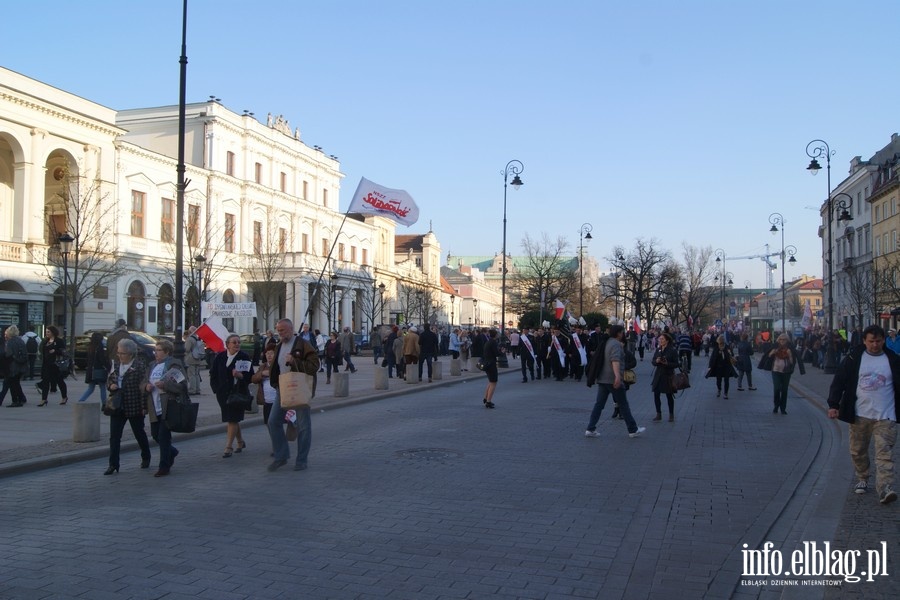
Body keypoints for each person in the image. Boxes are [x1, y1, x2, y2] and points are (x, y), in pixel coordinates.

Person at [827, 324, 898, 504]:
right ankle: (863, 477)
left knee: (884, 453)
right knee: (858, 451)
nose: (875, 345)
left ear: (884, 340)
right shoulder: (853, 358)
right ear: (865, 341)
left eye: (879, 341)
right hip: (860, 414)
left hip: (886, 415)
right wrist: (833, 404)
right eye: (871, 341)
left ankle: (885, 488)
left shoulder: (893, 360)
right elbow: (839, 381)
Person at [267, 318, 320, 472]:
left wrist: (295, 361)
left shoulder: (303, 345)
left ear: (290, 329)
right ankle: (281, 455)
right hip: (282, 388)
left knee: (303, 425)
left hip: (299, 388)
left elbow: (314, 366)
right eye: (278, 330)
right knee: (273, 421)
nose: (280, 333)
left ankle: (301, 460)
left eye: (282, 330)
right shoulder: (278, 346)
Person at [584, 324, 645, 438]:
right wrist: (617, 376)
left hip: (603, 378)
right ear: (618, 333)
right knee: (623, 404)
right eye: (622, 332)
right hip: (612, 379)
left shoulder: (606, 342)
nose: (623, 335)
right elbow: (615, 361)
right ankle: (633, 429)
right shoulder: (616, 344)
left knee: (599, 404)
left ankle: (590, 428)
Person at [104, 338, 151, 475]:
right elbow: (110, 379)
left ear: (130, 354)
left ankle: (146, 456)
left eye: (122, 353)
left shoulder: (139, 366)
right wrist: (110, 385)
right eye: (118, 353)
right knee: (114, 436)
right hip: (117, 406)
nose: (119, 355)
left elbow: (143, 388)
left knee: (139, 433)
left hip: (134, 405)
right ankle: (113, 464)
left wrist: (144, 407)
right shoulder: (116, 365)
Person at [142, 340, 186, 477]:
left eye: (159, 350)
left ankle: (164, 466)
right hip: (154, 405)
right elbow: (143, 382)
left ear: (167, 352)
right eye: (155, 350)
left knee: (163, 436)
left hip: (168, 405)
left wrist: (165, 385)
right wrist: (145, 387)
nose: (156, 353)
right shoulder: (152, 365)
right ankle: (171, 452)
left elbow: (182, 385)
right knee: (155, 435)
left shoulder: (174, 364)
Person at [209, 333, 253, 458]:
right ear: (227, 345)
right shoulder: (220, 357)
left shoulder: (243, 357)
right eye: (234, 342)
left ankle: (228, 447)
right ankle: (240, 442)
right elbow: (213, 374)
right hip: (223, 393)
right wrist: (216, 388)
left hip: (238, 393)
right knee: (232, 418)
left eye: (239, 342)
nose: (237, 344)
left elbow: (250, 376)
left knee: (233, 418)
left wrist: (241, 376)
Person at [766, 333, 805, 414]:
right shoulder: (775, 347)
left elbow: (792, 362)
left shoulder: (790, 349)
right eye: (780, 339)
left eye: (784, 340)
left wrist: (790, 355)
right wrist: (772, 353)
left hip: (786, 372)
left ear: (787, 341)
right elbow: (768, 357)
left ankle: (783, 408)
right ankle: (776, 405)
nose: (782, 341)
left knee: (784, 390)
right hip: (775, 370)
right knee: (776, 389)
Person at [37, 325, 68, 406]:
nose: (47, 333)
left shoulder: (59, 341)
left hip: (56, 365)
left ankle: (64, 397)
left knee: (60, 381)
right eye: (46, 332)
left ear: (53, 332)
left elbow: (63, 352)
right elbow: (42, 350)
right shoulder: (45, 341)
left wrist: (55, 351)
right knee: (45, 382)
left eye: (48, 332)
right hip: (47, 364)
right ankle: (44, 399)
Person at [651, 332, 679, 422]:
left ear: (667, 340)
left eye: (662, 339)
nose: (660, 341)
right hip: (658, 374)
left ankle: (671, 414)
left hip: (667, 375)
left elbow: (676, 364)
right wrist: (657, 361)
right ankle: (658, 413)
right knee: (656, 394)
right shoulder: (658, 349)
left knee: (669, 395)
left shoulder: (672, 350)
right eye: (659, 339)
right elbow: (653, 361)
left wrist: (667, 363)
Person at [77, 331, 110, 403]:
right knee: (102, 387)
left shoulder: (90, 346)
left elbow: (88, 359)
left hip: (91, 370)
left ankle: (81, 400)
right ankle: (104, 403)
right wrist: (108, 367)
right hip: (99, 369)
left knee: (91, 388)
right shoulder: (100, 346)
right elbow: (102, 359)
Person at [251, 343, 278, 427]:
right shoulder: (263, 366)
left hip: (278, 400)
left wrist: (272, 374)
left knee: (277, 424)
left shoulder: (279, 365)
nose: (269, 355)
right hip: (266, 400)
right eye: (267, 353)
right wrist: (262, 373)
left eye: (271, 353)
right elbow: (253, 379)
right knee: (268, 423)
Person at [2, 325, 28, 408]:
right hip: (21, 366)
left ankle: (15, 401)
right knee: (16, 383)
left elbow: (8, 354)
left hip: (12, 366)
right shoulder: (20, 341)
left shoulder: (10, 342)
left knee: (12, 384)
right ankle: (21, 399)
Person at [481, 329, 500, 408]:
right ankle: (488, 401)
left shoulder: (488, 342)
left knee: (490, 382)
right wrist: (502, 352)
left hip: (487, 363)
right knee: (493, 383)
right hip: (491, 364)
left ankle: (486, 398)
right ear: (495, 335)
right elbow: (496, 353)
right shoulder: (493, 343)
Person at [183, 326, 204, 395]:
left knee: (191, 375)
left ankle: (192, 390)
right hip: (197, 358)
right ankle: (197, 389)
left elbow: (187, 349)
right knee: (197, 374)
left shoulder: (190, 339)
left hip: (190, 359)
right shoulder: (197, 338)